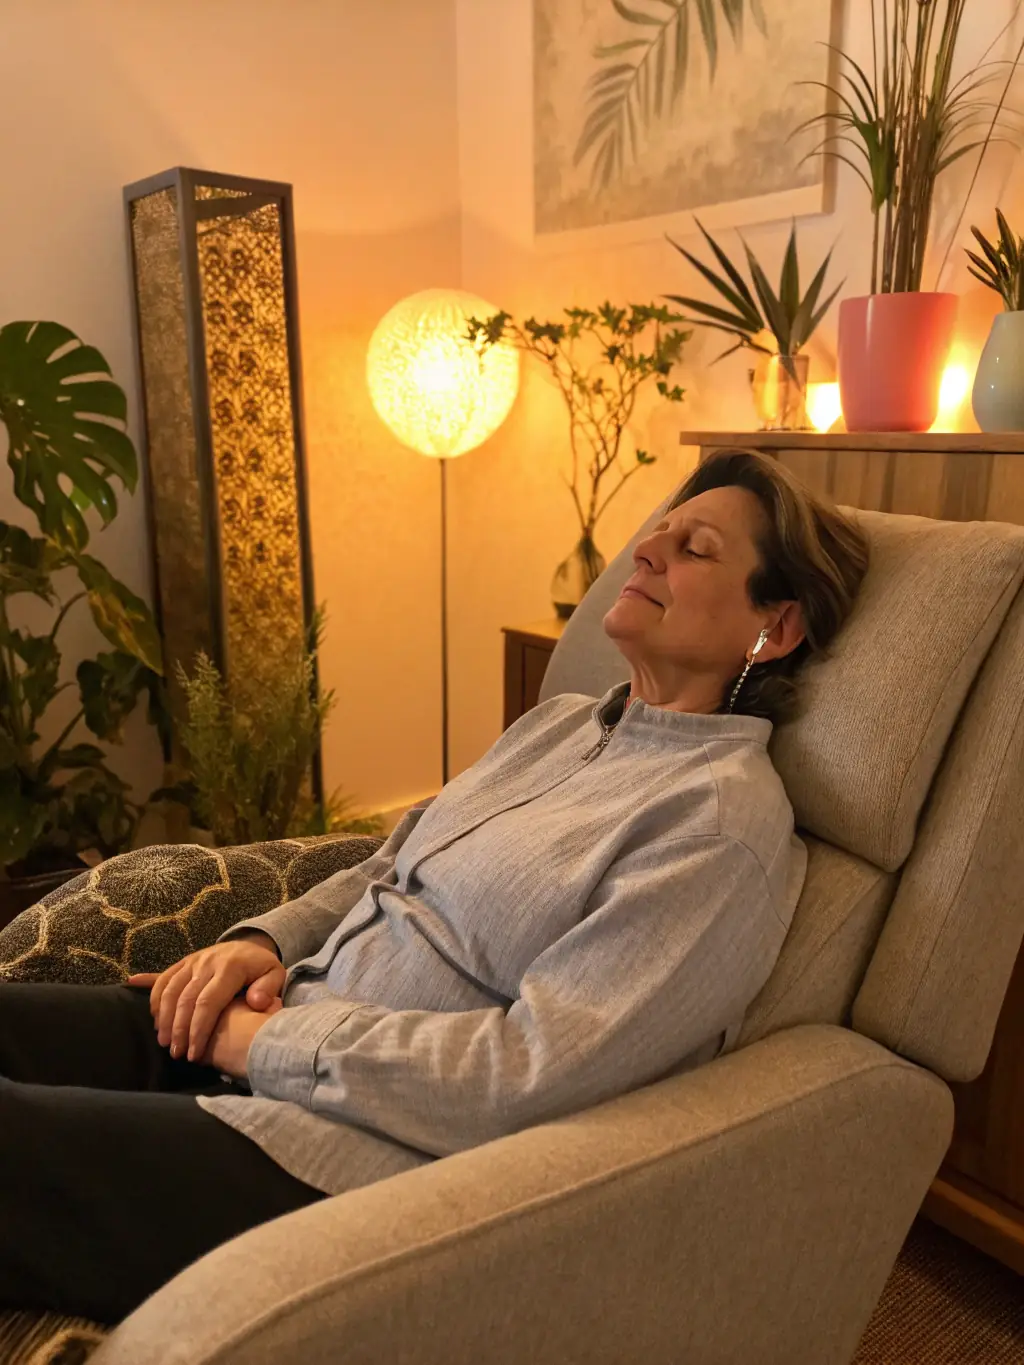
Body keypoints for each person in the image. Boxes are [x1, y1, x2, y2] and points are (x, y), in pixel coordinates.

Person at [0, 450, 869, 1325]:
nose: (648, 549)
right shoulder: (560, 723)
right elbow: (385, 864)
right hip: (266, 1026)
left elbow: (527, 1074)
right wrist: (256, 943)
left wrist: (261, 1046)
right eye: (660, 529)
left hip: (332, 1155)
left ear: (776, 627)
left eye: (697, 547)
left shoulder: (716, 829)